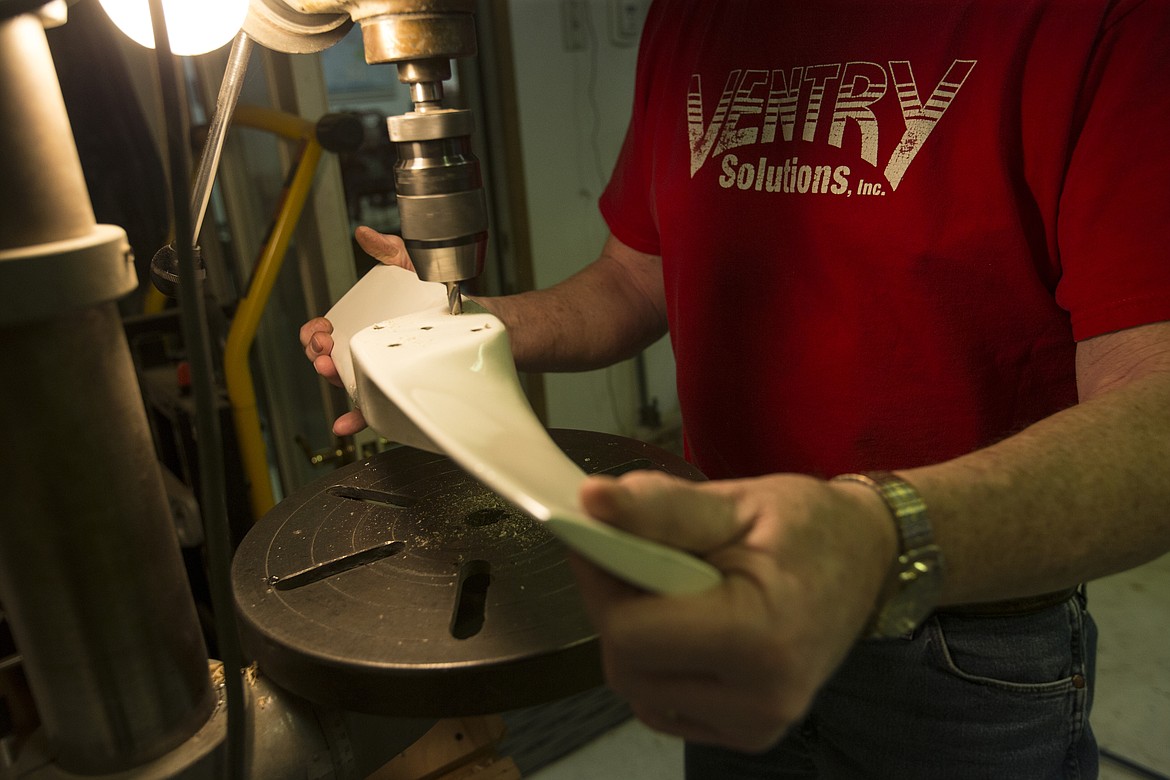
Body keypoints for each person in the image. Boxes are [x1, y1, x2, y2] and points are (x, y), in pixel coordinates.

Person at [302, 1, 1170, 776]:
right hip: (710, 578)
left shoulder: (1102, 21)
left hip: (956, 640)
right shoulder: (693, 18)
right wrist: (473, 328)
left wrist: (872, 542)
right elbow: (636, 278)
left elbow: (1154, 413)